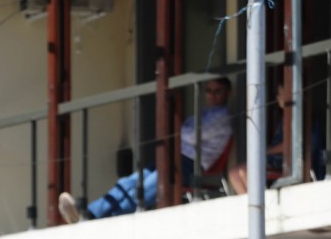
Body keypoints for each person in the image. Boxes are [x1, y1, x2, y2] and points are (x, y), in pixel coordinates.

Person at [58, 77, 233, 223]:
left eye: (218, 91)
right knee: (128, 182)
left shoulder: (222, 117)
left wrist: (182, 131)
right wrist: (182, 131)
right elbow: (183, 132)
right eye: (209, 90)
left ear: (227, 93)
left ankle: (99, 220)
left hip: (191, 164)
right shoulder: (203, 115)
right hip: (173, 157)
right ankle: (88, 213)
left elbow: (187, 133)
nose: (212, 95)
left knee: (145, 188)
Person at [228, 84, 327, 195]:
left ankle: (258, 203)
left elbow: (292, 144)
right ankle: (251, 206)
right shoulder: (285, 118)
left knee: (243, 171)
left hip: (288, 163)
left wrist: (265, 151)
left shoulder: (301, 117)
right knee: (234, 172)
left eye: (281, 93)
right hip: (274, 161)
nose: (278, 98)